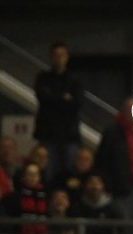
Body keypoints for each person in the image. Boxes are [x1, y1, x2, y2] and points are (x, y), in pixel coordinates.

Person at [33, 41, 82, 181]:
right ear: (50, 57)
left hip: (69, 135)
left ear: (66, 57)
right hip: (48, 134)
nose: (59, 58)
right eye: (55, 55)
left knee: (71, 174)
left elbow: (77, 104)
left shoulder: (74, 80)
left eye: (62, 55)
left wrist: (53, 97)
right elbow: (43, 99)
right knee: (46, 173)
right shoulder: (42, 78)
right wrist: (64, 98)